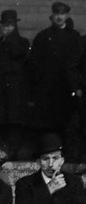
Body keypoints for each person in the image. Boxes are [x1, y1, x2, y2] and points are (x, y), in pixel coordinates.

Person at [27, 2, 81, 152]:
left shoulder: (74, 37)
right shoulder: (43, 37)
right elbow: (34, 65)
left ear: (67, 16)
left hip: (66, 91)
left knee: (66, 124)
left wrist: (75, 86)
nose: (59, 17)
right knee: (45, 125)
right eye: (57, 14)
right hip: (46, 91)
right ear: (52, 16)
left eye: (62, 14)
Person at [0, 10, 30, 159]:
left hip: (14, 97)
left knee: (13, 129)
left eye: (10, 25)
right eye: (4, 25)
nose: (6, 28)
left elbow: (18, 53)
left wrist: (9, 38)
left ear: (15, 26)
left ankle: (14, 156)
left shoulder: (21, 43)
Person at [15, 133, 86, 204]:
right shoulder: (25, 183)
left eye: (55, 158)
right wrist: (48, 189)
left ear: (62, 161)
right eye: (45, 159)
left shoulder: (74, 182)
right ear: (38, 162)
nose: (51, 164)